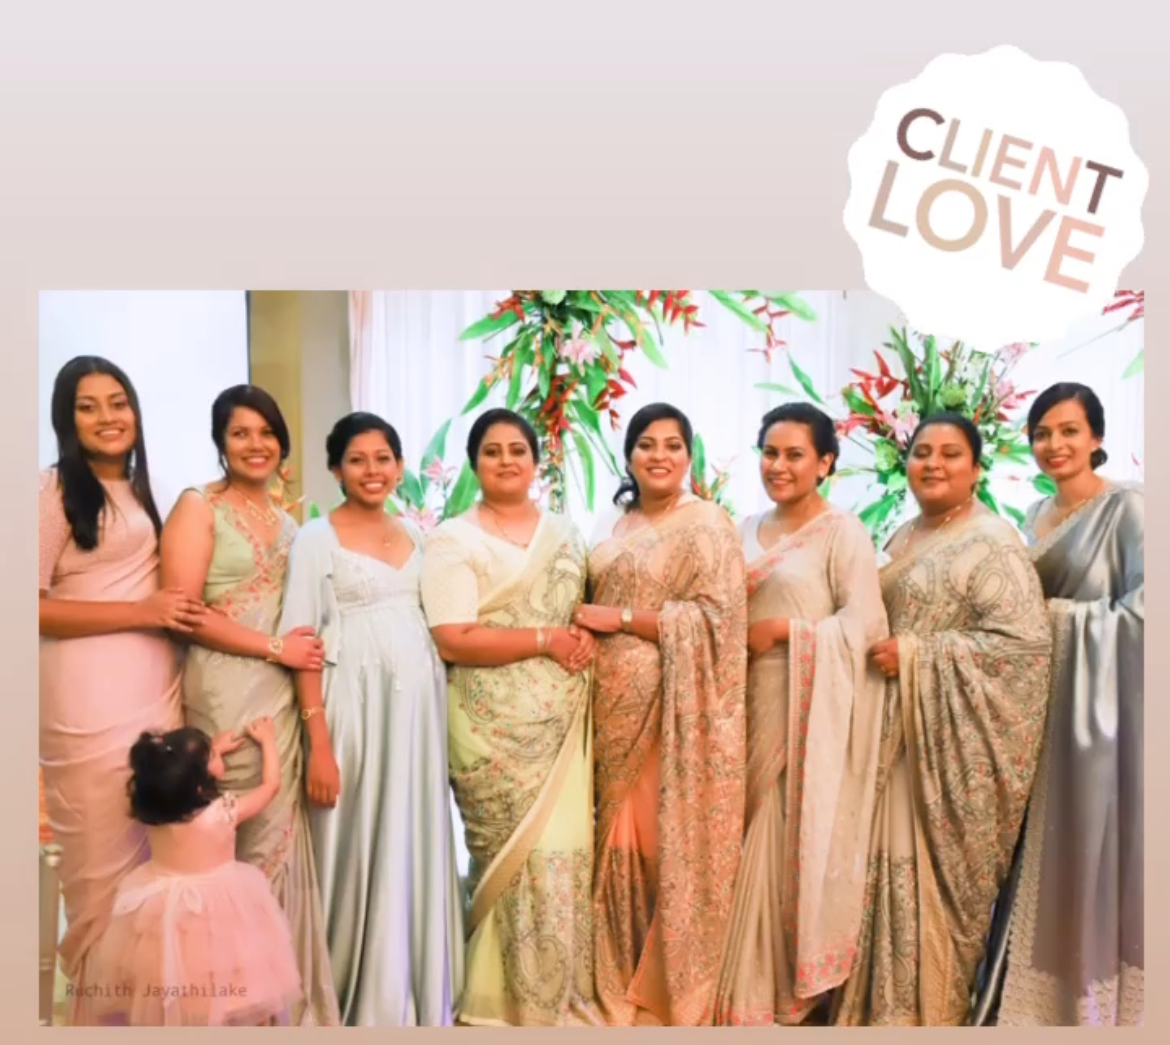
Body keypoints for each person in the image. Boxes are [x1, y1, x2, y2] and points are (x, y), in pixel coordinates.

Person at [832, 411, 1052, 1026]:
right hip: (888, 737)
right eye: (922, 452)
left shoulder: (992, 541)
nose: (933, 464)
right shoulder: (902, 534)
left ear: (976, 469)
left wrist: (918, 655)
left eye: (950, 454)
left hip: (941, 753)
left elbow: (1024, 648)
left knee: (915, 877)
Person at [159, 384, 339, 1026]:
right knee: (231, 836)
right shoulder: (198, 506)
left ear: (282, 444)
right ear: (221, 442)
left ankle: (278, 1008)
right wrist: (275, 648)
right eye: (240, 433)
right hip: (224, 690)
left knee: (278, 831)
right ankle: (230, 1009)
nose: (255, 445)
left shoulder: (289, 521)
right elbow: (183, 612)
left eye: (266, 433)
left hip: (281, 698)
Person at [279, 412, 465, 1026]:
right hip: (351, 709)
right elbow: (302, 642)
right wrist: (319, 743)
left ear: (400, 465)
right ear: (335, 469)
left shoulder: (417, 534)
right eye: (357, 460)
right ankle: (342, 994)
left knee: (408, 835)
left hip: (417, 719)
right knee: (351, 840)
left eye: (383, 458)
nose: (372, 470)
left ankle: (410, 984)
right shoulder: (316, 538)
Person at [420, 408, 600, 1027]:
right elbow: (453, 637)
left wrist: (580, 635)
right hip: (488, 725)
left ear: (535, 460)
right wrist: (547, 640)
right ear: (475, 463)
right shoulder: (453, 538)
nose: (505, 460)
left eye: (517, 449)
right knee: (510, 859)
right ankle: (499, 1000)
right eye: (492, 451)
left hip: (563, 723)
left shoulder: (565, 532)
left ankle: (554, 993)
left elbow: (580, 610)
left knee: (563, 850)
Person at [713, 403, 888, 1026]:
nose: (778, 466)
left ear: (825, 463)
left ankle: (766, 992)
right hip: (740, 708)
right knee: (736, 840)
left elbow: (864, 624)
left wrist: (787, 631)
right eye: (770, 453)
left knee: (779, 838)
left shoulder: (843, 533)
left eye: (794, 455)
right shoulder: (739, 529)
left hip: (807, 711)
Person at [38, 356, 198, 1024]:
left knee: (153, 860)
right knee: (101, 871)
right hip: (85, 701)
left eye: (118, 401)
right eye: (88, 406)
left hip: (153, 690)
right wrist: (141, 611)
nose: (108, 417)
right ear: (66, 419)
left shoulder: (144, 491)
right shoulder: (51, 491)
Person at [577, 402, 748, 1026]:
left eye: (673, 445)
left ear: (689, 455)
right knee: (612, 832)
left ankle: (663, 977)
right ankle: (615, 965)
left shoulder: (707, 523)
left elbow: (720, 620)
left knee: (655, 835)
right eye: (646, 444)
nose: (659, 455)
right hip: (605, 705)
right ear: (628, 455)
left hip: (671, 708)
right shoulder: (613, 523)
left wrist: (621, 619)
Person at [986, 384, 1142, 1026]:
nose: (1055, 445)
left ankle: (1085, 995)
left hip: (1102, 717)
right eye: (1042, 433)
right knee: (1035, 851)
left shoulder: (1129, 507)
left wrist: (1059, 619)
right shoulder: (1033, 515)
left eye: (1070, 431)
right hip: (1040, 708)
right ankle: (1027, 990)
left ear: (1097, 437)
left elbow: (1144, 613)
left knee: (1089, 843)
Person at [85, 720, 303, 1026]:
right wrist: (268, 740)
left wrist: (211, 752)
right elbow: (270, 787)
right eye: (211, 756)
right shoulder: (223, 812)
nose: (217, 754)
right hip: (217, 905)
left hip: (162, 903)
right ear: (200, 785)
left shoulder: (158, 811)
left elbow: (179, 772)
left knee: (177, 979)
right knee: (223, 977)